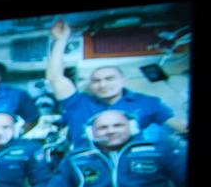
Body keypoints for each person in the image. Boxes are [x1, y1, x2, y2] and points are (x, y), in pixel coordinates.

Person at [29, 109, 185, 187]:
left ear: (132, 128)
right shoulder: (76, 158)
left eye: (118, 125)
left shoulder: (158, 151)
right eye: (103, 128)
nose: (111, 131)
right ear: (92, 133)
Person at [46, 19, 186, 148]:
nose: (103, 85)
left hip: (133, 168)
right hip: (87, 167)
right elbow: (56, 77)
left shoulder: (148, 103)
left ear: (124, 81)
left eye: (109, 79)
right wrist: (61, 40)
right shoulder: (77, 103)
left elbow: (180, 126)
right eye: (96, 81)